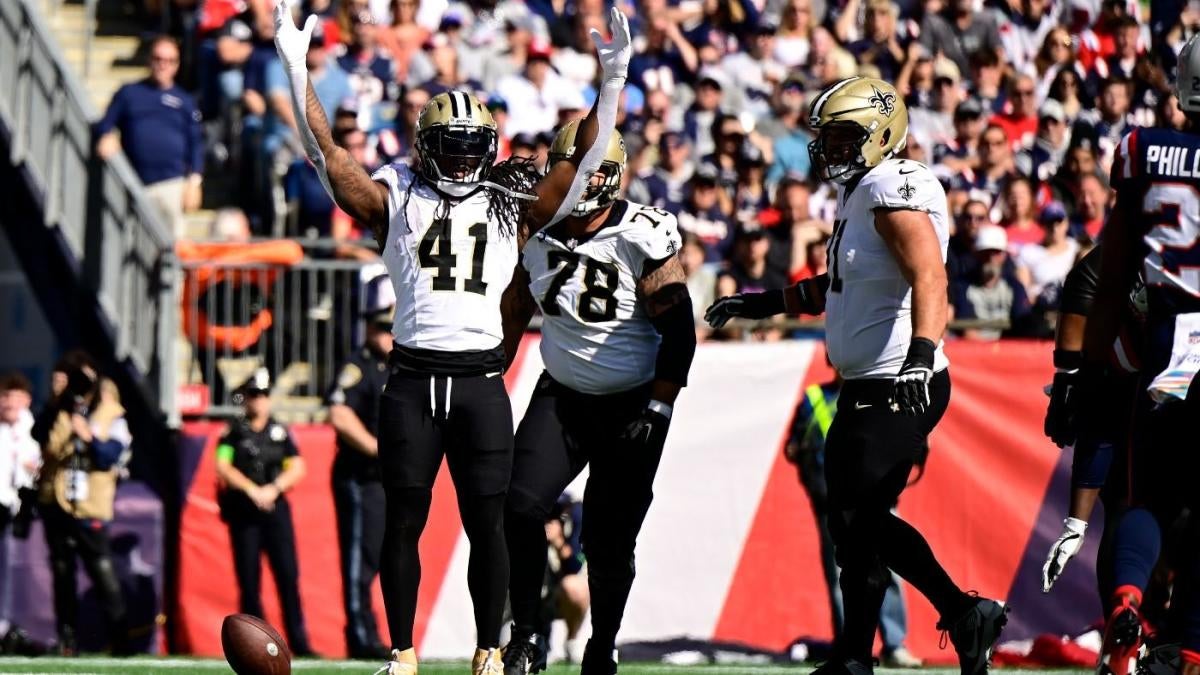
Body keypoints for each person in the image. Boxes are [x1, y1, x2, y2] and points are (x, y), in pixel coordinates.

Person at [272, 1, 632, 671]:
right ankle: (403, 651)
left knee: (487, 524)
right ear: (424, 148)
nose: (464, 162)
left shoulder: (510, 204)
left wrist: (612, 82)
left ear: (488, 150)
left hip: (478, 379)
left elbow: (583, 165)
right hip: (411, 377)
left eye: (474, 149)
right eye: (453, 148)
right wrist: (296, 67)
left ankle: (489, 650)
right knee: (402, 519)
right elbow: (326, 154)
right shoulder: (397, 193)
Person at [705, 77, 1007, 675]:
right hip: (868, 380)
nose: (832, 149)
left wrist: (921, 355)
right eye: (828, 138)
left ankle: (962, 612)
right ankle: (855, 657)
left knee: (861, 517)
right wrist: (764, 303)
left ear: (883, 134)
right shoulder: (864, 191)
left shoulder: (891, 186)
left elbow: (930, 276)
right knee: (851, 531)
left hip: (900, 377)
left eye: (846, 137)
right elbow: (841, 288)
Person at [500, 122, 695, 675]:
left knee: (609, 540)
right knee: (518, 506)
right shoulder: (533, 229)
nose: (576, 182)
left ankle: (601, 645)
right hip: (562, 396)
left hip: (631, 405)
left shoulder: (640, 233)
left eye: (588, 171)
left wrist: (659, 406)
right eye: (570, 170)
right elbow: (515, 309)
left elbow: (679, 331)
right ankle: (527, 637)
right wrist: (488, 375)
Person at [1074, 33, 1200, 675]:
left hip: (1172, 344)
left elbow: (1111, 271)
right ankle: (1190, 649)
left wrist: (1086, 371)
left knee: (1146, 496)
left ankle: (1127, 602)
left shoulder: (1146, 153)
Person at [784, 371, 922, 668]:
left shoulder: (883, 392)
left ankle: (894, 645)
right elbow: (793, 446)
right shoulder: (815, 398)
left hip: (877, 498)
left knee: (889, 571)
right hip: (831, 502)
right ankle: (852, 648)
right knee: (841, 575)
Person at [31, 352, 130, 655]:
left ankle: (120, 639)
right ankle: (67, 639)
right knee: (62, 572)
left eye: (84, 378)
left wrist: (87, 435)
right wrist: (55, 402)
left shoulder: (111, 412)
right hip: (56, 500)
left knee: (101, 570)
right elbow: (38, 435)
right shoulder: (59, 409)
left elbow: (109, 456)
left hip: (91, 503)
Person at [216, 368, 313, 656]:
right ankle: (253, 645)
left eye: (264, 395)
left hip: (275, 510)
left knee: (287, 576)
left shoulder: (280, 432)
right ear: (246, 398)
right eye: (254, 395)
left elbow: (297, 466)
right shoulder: (233, 431)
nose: (259, 401)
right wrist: (250, 489)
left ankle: (299, 643)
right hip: (245, 512)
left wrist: (274, 488)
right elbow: (222, 465)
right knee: (249, 580)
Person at [324, 274, 394, 659]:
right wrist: (378, 449)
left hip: (385, 482)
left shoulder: (398, 365)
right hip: (359, 476)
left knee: (381, 555)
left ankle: (376, 630)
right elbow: (339, 414)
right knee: (358, 559)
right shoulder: (359, 364)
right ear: (368, 327)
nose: (388, 336)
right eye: (382, 328)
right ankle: (359, 634)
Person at [94, 35, 204, 238]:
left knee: (171, 247)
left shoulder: (184, 101)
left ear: (177, 64)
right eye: (158, 58)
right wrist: (106, 135)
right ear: (149, 60)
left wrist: (194, 182)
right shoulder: (129, 93)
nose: (163, 65)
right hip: (135, 183)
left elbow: (196, 143)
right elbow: (104, 124)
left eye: (170, 60)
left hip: (172, 184)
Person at [952, 225, 1034, 340]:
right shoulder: (963, 287)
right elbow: (967, 330)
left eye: (996, 252)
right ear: (977, 254)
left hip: (1009, 350)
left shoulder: (1015, 288)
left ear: (1004, 255)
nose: (991, 258)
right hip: (973, 350)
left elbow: (1022, 326)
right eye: (986, 252)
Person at [0, 373, 38, 537]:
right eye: (6, 397)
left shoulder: (38, 433)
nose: (10, 403)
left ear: (27, 400)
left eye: (17, 398)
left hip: (27, 511)